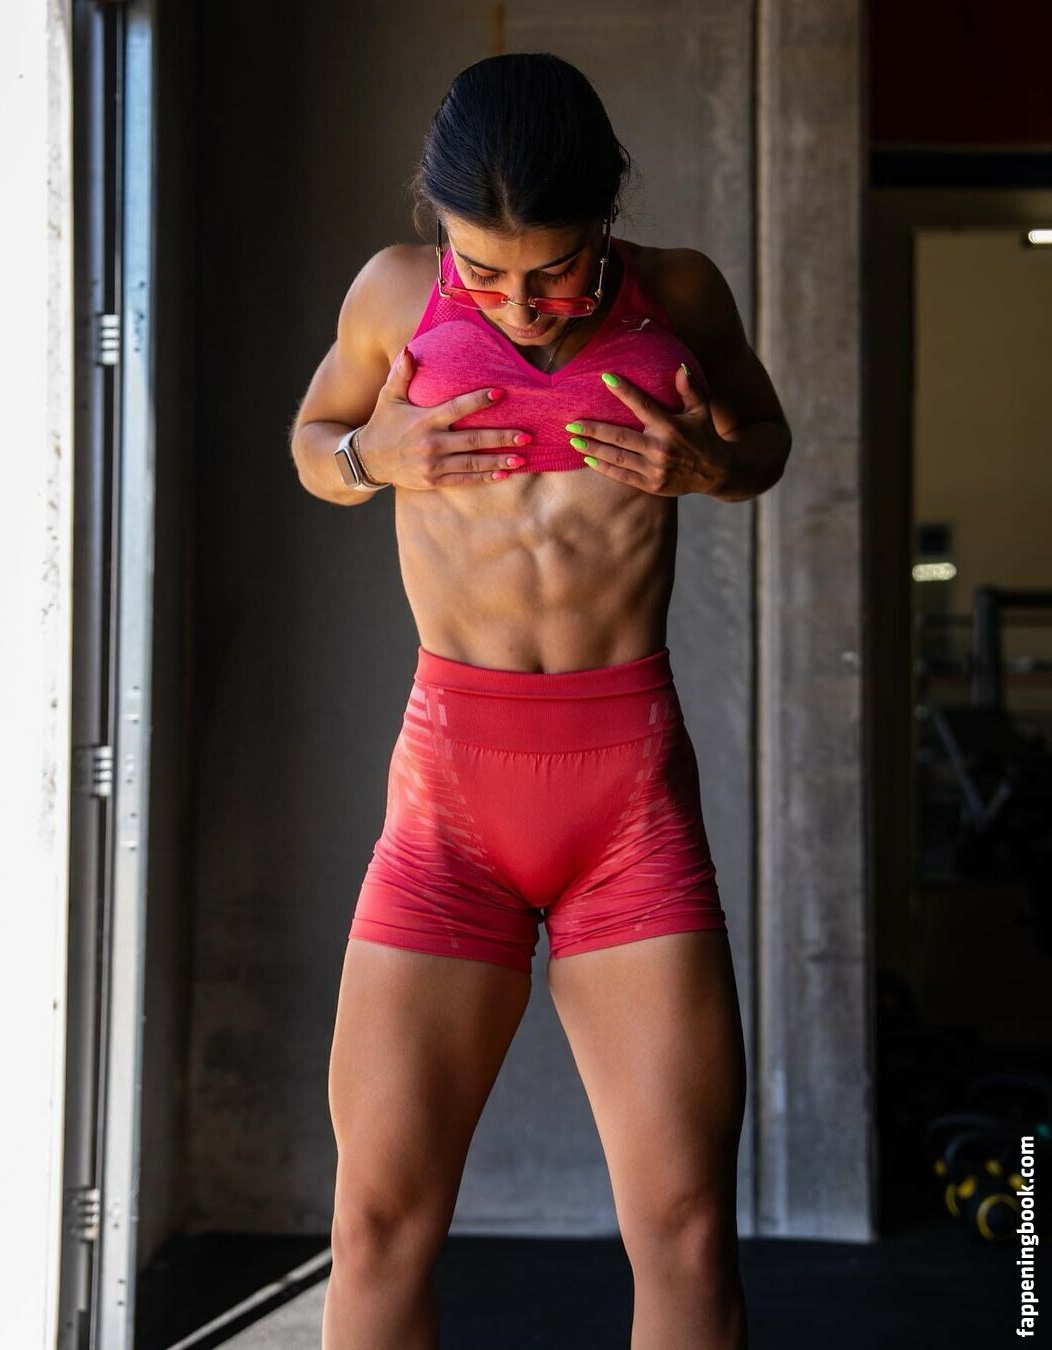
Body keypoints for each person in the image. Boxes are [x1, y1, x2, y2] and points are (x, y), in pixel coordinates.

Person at [291, 51, 790, 1350]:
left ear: (608, 215)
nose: (519, 305)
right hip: (447, 800)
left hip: (628, 798)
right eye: (486, 273)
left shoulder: (683, 292)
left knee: (685, 1227)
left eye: (557, 272)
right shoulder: (393, 294)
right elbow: (313, 444)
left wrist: (711, 467)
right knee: (378, 1221)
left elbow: (765, 442)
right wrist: (370, 456)